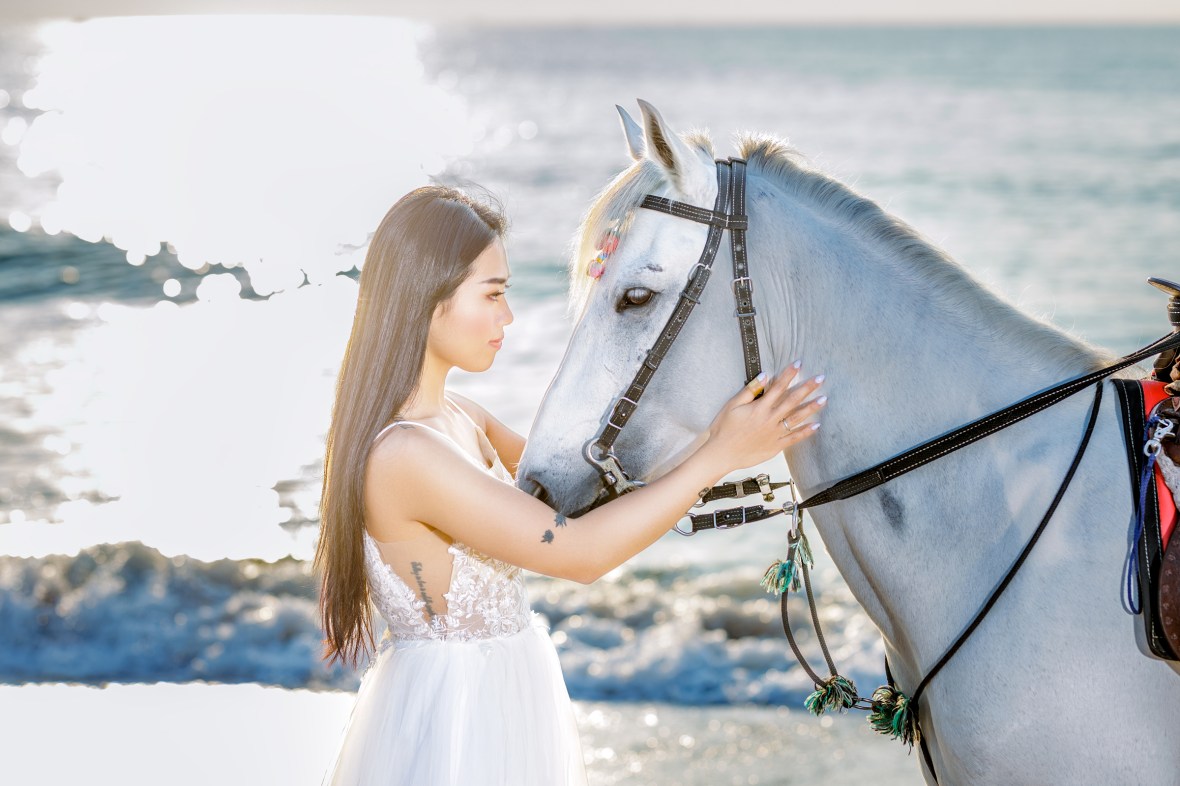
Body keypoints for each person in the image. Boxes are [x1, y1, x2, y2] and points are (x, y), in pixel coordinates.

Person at [316, 185, 826, 785]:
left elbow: (596, 491)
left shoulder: (462, 417)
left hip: (501, 691)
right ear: (430, 300)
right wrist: (719, 454)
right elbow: (580, 552)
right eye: (494, 294)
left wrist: (717, 433)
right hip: (460, 715)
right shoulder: (407, 454)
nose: (508, 316)